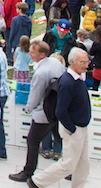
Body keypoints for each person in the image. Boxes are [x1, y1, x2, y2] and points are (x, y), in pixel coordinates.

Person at [27, 47, 92, 188]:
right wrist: (72, 129)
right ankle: (37, 182)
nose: (86, 65)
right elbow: (61, 111)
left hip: (81, 127)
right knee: (68, 165)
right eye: (82, 62)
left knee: (83, 163)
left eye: (87, 62)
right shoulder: (68, 83)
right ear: (72, 62)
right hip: (74, 129)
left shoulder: (78, 78)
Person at [8, 39, 66, 183]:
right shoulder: (56, 63)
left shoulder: (40, 72)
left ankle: (28, 172)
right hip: (57, 110)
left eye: (33, 52)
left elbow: (35, 94)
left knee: (32, 141)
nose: (30, 54)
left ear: (42, 55)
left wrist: (28, 108)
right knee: (62, 139)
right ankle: (73, 167)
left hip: (44, 113)